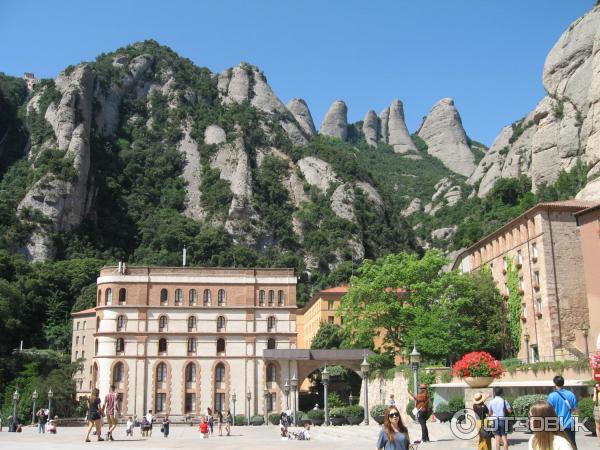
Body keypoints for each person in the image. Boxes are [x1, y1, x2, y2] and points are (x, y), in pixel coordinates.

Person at [547, 375, 578, 449]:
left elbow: (548, 411)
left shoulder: (551, 396)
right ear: (563, 383)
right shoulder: (571, 394)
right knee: (571, 444)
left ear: (554, 383)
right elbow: (574, 410)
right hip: (569, 424)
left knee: (557, 446)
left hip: (557, 425)